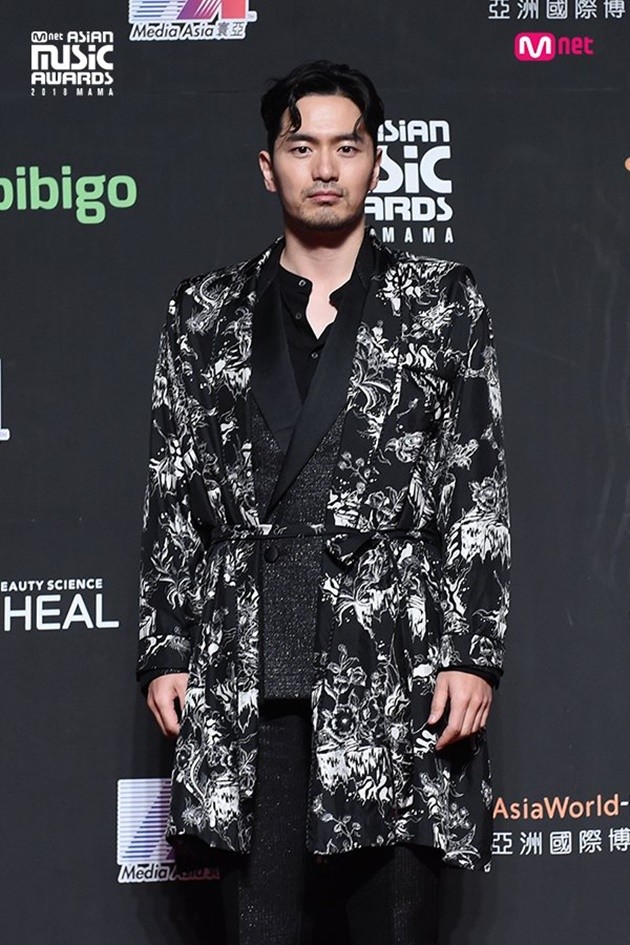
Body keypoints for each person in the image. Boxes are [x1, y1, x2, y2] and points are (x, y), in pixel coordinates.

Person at [137, 60, 510, 945]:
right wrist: (165, 645)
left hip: (393, 680)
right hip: (242, 684)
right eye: (303, 147)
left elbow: (475, 484)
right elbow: (173, 489)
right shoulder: (204, 312)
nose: (326, 168)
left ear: (377, 160)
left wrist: (474, 651)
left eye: (347, 146)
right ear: (270, 166)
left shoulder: (442, 304)